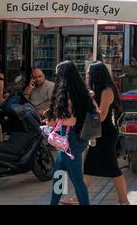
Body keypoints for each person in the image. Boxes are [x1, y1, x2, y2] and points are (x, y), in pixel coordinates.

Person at [60, 62, 130, 205]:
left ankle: (124, 200)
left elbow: (102, 116)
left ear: (96, 75)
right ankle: (78, 199)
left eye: (88, 73)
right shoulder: (95, 89)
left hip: (105, 134)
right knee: (89, 167)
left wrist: (90, 100)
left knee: (112, 168)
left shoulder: (107, 91)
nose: (86, 76)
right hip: (96, 134)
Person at [45, 61, 97, 205]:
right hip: (75, 140)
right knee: (58, 175)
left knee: (76, 180)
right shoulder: (79, 91)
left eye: (58, 74)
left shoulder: (68, 94)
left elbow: (71, 120)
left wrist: (54, 121)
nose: (56, 77)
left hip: (70, 142)